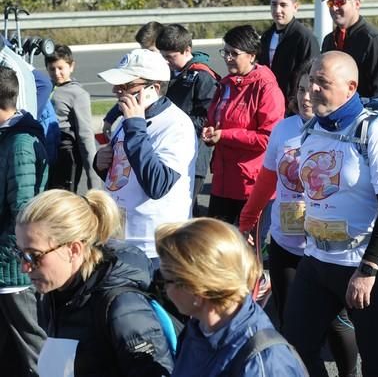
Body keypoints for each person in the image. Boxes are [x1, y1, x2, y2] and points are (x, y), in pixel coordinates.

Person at [282, 51, 378, 376]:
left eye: (322, 84)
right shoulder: (311, 130)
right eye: (311, 82)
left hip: (369, 266)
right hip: (318, 260)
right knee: (295, 348)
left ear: (350, 87)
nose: (311, 91)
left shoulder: (376, 135)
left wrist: (368, 269)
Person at [239, 62, 359, 376]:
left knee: (335, 322)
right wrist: (247, 220)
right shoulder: (283, 129)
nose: (306, 97)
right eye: (301, 89)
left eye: (313, 89)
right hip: (286, 242)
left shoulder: (341, 131)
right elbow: (265, 182)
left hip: (326, 247)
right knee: (292, 324)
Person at [15, 189, 175, 376]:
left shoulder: (122, 308)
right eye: (20, 254)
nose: (24, 268)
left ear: (74, 250)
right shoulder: (59, 292)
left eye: (33, 256)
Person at [155, 217, 308, 376]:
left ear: (198, 288)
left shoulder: (261, 364)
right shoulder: (199, 328)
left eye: (165, 280)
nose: (164, 289)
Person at [93, 49, 197, 263]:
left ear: (154, 88)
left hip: (153, 247)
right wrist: (102, 165)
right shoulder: (127, 120)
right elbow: (125, 177)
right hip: (117, 238)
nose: (116, 91)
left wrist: (135, 128)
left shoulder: (176, 125)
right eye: (117, 85)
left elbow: (157, 185)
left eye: (126, 86)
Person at [203, 25, 285, 225]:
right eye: (225, 52)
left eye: (234, 53)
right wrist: (210, 131)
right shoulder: (226, 84)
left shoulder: (266, 88)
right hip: (222, 180)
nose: (228, 58)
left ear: (251, 55)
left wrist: (224, 135)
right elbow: (215, 119)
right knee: (215, 247)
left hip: (249, 185)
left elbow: (267, 138)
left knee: (246, 251)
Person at [0, 66, 48, 377]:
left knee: (38, 349)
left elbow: (24, 211)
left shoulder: (20, 145)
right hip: (7, 265)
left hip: (16, 268)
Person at [156, 24, 220, 216]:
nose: (166, 62)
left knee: (184, 209)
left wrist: (175, 124)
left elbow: (209, 117)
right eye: (163, 56)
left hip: (195, 154)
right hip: (171, 151)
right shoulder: (169, 73)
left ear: (187, 50)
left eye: (170, 57)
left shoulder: (202, 77)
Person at [321, 0, 378, 98]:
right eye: (330, 3)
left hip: (362, 113)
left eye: (340, 2)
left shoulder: (373, 39)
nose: (334, 8)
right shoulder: (329, 39)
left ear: (357, 4)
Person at [44, 45, 100, 191]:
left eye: (60, 68)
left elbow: (85, 135)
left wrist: (93, 181)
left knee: (63, 204)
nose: (56, 73)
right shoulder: (45, 89)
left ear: (71, 66)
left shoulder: (78, 94)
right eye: (51, 69)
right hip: (46, 151)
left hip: (66, 154)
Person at [259, 0, 320, 109]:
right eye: (274, 4)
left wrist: (295, 102)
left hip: (293, 108)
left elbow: (310, 75)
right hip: (267, 104)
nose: (277, 10)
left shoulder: (304, 38)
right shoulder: (266, 36)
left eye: (283, 5)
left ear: (295, 7)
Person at [102, 21, 165, 140]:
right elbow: (131, 95)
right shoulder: (145, 67)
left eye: (150, 50)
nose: (144, 54)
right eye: (142, 49)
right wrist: (110, 119)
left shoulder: (165, 73)